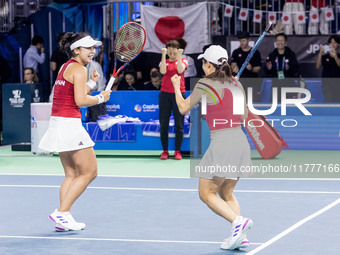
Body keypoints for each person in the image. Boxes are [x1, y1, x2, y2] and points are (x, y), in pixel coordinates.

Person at [171, 45, 253, 250]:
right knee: (227, 193)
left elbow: (182, 108)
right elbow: (243, 116)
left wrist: (175, 85)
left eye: (203, 63)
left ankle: (237, 223)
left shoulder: (204, 83)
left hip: (222, 142)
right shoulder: (236, 84)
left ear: (209, 65)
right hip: (239, 141)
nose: (202, 66)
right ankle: (240, 236)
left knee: (206, 193)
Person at [39, 32, 111, 231]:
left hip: (58, 123)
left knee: (71, 174)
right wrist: (101, 97)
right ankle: (61, 212)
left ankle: (64, 218)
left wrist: (91, 84)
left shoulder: (66, 66)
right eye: (88, 48)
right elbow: (80, 101)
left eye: (94, 48)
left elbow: (73, 94)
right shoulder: (79, 69)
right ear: (76, 49)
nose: (93, 52)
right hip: (69, 125)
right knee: (90, 172)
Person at [159, 39, 188, 160]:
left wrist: (180, 56)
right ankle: (165, 151)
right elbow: (162, 71)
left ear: (178, 50)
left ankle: (178, 151)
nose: (171, 51)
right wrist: (163, 54)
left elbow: (181, 70)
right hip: (165, 95)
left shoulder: (183, 60)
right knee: (164, 124)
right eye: (169, 49)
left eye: (174, 49)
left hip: (179, 94)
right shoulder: (164, 61)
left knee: (179, 124)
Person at [264, 33, 299, 102]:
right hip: (275, 86)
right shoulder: (272, 55)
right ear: (275, 42)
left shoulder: (291, 54)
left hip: (289, 86)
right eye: (278, 41)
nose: (280, 43)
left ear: (286, 42)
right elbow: (266, 72)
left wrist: (289, 68)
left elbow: (296, 70)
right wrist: (268, 68)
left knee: (289, 110)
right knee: (275, 109)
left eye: (282, 41)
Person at [231, 31, 262, 102]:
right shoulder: (236, 52)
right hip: (239, 82)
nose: (241, 43)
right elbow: (233, 65)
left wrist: (251, 68)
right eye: (240, 41)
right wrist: (235, 69)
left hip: (252, 82)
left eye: (243, 41)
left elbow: (258, 68)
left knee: (253, 102)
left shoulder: (255, 52)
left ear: (248, 40)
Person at [316, 35, 340, 102]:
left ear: (338, 44)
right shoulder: (324, 57)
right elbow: (317, 66)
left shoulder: (339, 56)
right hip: (327, 83)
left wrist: (335, 56)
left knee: (337, 101)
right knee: (329, 99)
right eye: (331, 43)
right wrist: (320, 53)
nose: (333, 44)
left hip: (338, 83)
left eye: (335, 43)